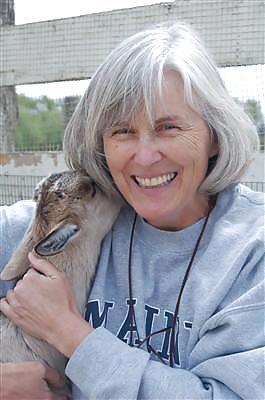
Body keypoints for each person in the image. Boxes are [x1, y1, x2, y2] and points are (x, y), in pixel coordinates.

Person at [0, 21, 264, 400]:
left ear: (214, 135)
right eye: (122, 131)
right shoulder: (83, 217)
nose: (145, 156)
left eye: (169, 127)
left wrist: (68, 332)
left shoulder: (251, 255)